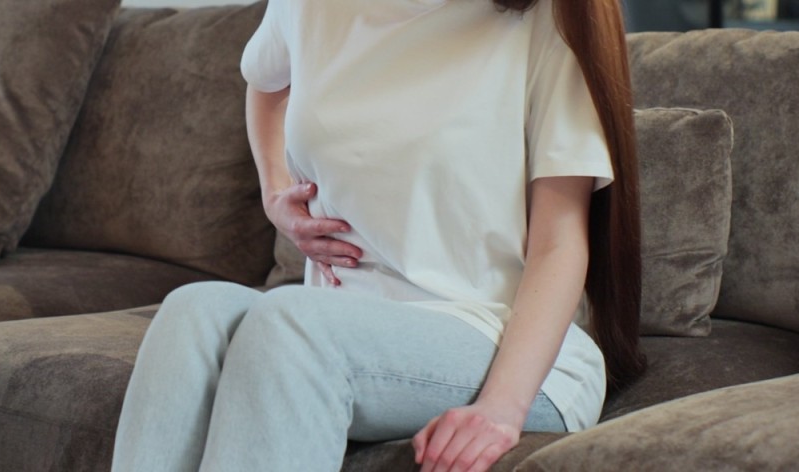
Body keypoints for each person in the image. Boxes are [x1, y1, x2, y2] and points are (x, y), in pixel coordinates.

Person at [111, 0, 645, 470]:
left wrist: (500, 409)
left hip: (499, 333)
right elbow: (266, 81)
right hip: (339, 322)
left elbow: (559, 243)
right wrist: (275, 193)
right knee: (192, 313)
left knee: (291, 325)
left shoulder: (548, 17)